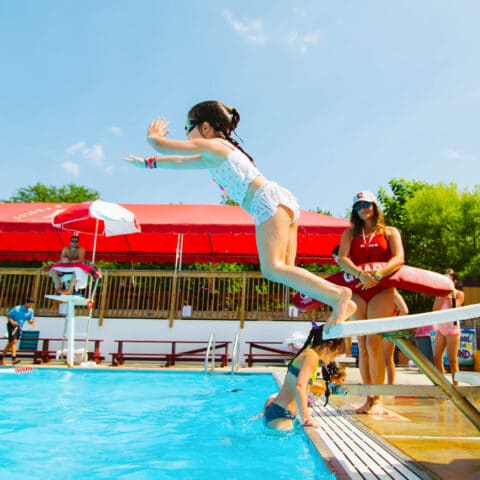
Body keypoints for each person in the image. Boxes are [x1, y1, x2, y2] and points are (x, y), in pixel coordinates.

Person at [124, 100, 356, 329]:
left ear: (205, 128)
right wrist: (149, 164)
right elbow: (178, 162)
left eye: (188, 128)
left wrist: (153, 138)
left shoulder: (215, 145)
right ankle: (339, 300)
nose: (186, 134)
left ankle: (338, 296)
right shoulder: (216, 154)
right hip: (280, 200)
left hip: (266, 202)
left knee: (272, 268)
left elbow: (164, 147)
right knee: (285, 269)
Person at [337, 191, 405, 415]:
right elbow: (343, 259)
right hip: (358, 288)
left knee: (374, 344)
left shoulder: (390, 232)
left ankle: (378, 399)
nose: (362, 209)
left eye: (366, 204)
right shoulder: (350, 233)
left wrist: (378, 274)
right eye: (358, 206)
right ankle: (368, 398)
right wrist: (359, 274)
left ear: (375, 206)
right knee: (363, 346)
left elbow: (399, 258)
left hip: (382, 288)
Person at [262, 324, 345, 430]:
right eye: (338, 349)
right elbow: (300, 386)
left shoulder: (309, 354)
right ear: (329, 345)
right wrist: (306, 418)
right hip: (282, 414)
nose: (337, 353)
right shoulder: (312, 356)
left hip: (280, 412)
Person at [433, 268, 464, 386]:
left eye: (449, 280)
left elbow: (455, 308)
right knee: (436, 357)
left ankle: (456, 386)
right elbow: (435, 309)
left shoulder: (459, 294)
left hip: (452, 329)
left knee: (452, 359)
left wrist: (451, 295)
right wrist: (440, 297)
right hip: (441, 328)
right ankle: (443, 385)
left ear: (454, 281)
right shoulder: (439, 294)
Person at [382, 290, 409, 384]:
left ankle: (389, 385)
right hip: (385, 327)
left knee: (386, 359)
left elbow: (404, 312)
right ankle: (387, 386)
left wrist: (394, 325)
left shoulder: (393, 293)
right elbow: (404, 312)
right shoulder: (391, 294)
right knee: (385, 359)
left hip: (387, 328)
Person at [0, 298, 36, 365]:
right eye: (30, 304)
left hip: (19, 327)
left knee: (11, 343)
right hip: (12, 325)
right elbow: (8, 316)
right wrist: (12, 322)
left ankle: (1, 358)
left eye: (32, 305)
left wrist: (32, 322)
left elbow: (29, 319)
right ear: (26, 303)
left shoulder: (31, 311)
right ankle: (14, 359)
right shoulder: (17, 308)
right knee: (14, 342)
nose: (30, 306)